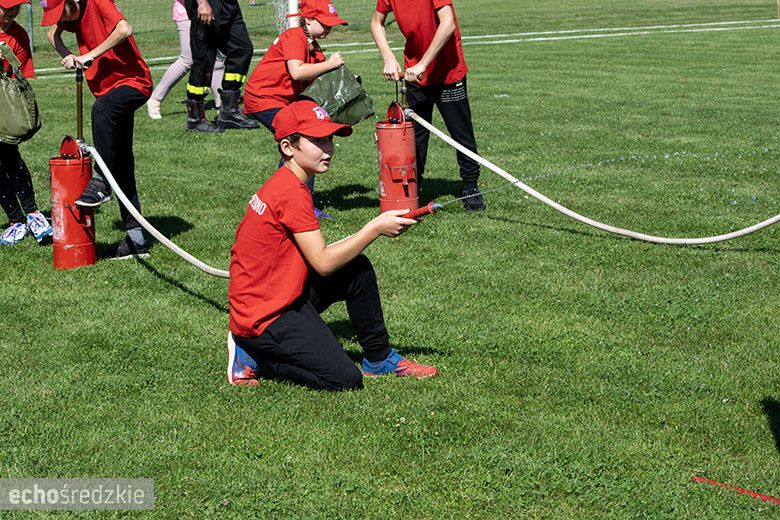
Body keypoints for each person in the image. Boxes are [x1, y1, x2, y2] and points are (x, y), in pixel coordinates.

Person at [228, 100, 438, 390]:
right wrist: (375, 227)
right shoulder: (291, 192)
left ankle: (378, 359)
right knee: (344, 379)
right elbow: (323, 263)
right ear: (288, 147)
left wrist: (373, 228)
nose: (328, 148)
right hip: (264, 315)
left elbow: (319, 258)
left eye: (329, 139)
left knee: (356, 269)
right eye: (317, 140)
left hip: (277, 293)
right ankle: (256, 352)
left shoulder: (288, 182)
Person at [44, 0, 153, 259]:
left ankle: (101, 181)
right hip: (107, 91)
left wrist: (91, 54)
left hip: (134, 83)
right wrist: (67, 55)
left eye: (63, 12)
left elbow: (124, 29)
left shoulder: (97, 1)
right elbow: (52, 34)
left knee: (102, 110)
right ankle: (136, 241)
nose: (63, 19)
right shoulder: (69, 15)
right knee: (123, 163)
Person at [370, 0, 485, 211]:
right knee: (415, 137)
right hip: (415, 77)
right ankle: (412, 189)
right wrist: (388, 57)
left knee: (461, 134)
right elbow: (377, 22)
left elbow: (448, 23)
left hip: (448, 74)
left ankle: (471, 187)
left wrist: (424, 63)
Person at [243, 0, 347, 219]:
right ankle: (295, 203)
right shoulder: (294, 37)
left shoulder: (311, 45)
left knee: (304, 139)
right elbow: (297, 72)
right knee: (304, 141)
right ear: (308, 19)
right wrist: (330, 64)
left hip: (283, 101)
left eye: (332, 24)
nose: (329, 28)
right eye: (325, 23)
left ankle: (284, 199)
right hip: (264, 99)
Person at [0, 0, 53, 246]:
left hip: (4, 107)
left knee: (10, 155)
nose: (11, 12)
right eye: (5, 7)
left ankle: (33, 214)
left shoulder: (19, 35)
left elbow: (18, 76)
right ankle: (15, 220)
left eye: (16, 7)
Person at [184, 0, 259, 131]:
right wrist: (202, 3)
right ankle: (195, 118)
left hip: (228, 4)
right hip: (207, 4)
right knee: (204, 59)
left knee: (242, 49)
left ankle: (229, 111)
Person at [146, 0, 225, 120]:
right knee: (187, 59)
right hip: (187, 15)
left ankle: (223, 106)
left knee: (216, 61)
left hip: (211, 12)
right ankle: (155, 99)